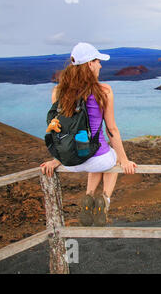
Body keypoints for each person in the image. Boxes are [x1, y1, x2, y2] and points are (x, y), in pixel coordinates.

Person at [40, 42, 137, 226]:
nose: (100, 65)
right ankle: (105, 200)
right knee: (110, 156)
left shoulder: (58, 92)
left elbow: (58, 131)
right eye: (97, 61)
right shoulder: (104, 91)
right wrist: (124, 160)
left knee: (92, 157)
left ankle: (89, 196)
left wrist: (56, 160)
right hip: (97, 158)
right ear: (90, 64)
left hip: (71, 163)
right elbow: (111, 129)